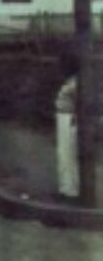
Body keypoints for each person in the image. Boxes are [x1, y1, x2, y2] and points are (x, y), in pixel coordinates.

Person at [55, 54, 80, 200]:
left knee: (68, 153)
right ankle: (66, 187)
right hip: (64, 117)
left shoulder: (75, 83)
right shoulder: (71, 82)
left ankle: (70, 190)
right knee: (64, 154)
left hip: (69, 118)